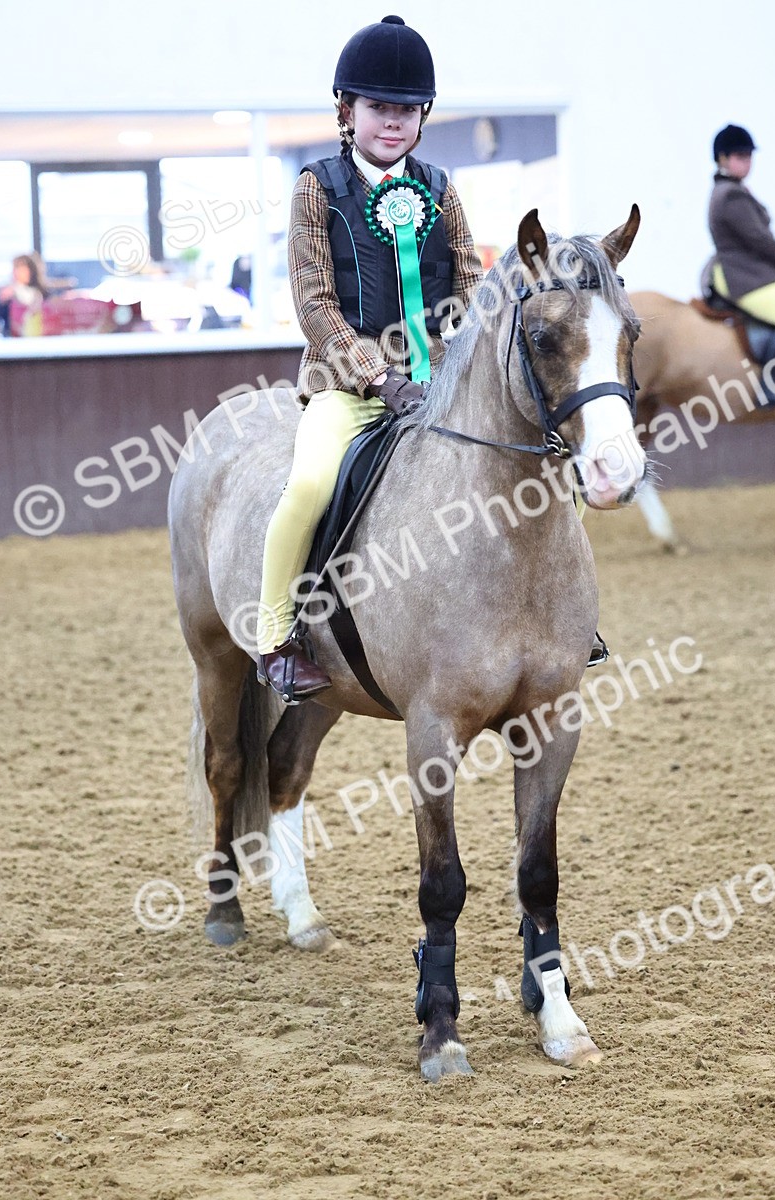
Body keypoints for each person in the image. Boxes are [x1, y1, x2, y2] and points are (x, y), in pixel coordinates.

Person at [255, 14, 483, 701]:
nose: (394, 122)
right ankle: (275, 636)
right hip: (346, 387)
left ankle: (556, 621)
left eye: (408, 110)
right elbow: (314, 301)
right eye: (380, 108)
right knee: (309, 488)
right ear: (346, 112)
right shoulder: (317, 186)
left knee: (535, 467)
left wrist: (462, 363)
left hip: (439, 383)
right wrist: (380, 378)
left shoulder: (440, 186)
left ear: (423, 118)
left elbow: (471, 281)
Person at [708, 124, 775, 327]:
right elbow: (762, 242)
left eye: (749, 156)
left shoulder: (734, 190)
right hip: (746, 274)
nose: (747, 162)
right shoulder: (730, 195)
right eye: (740, 156)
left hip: (753, 271)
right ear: (723, 158)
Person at [0, 253, 49, 334]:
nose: (16, 272)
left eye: (21, 268)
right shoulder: (8, 293)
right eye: (15, 268)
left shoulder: (38, 293)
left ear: (31, 271)